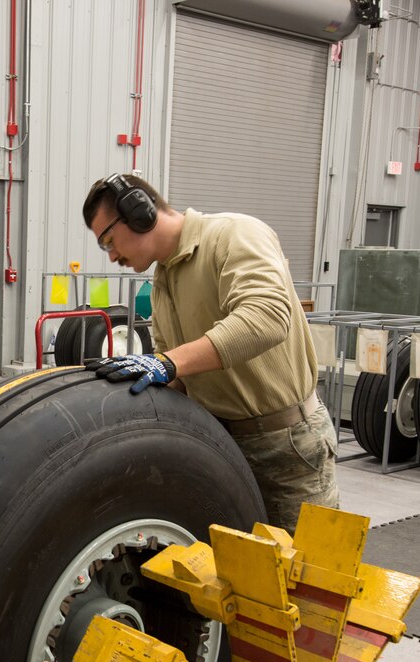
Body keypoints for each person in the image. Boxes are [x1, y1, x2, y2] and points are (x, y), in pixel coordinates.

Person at [81, 173, 338, 532]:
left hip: (288, 446)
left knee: (309, 575)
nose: (111, 257)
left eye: (109, 241)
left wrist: (168, 363)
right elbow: (180, 377)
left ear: (138, 212)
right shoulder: (163, 282)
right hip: (221, 444)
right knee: (235, 575)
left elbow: (267, 317)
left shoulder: (235, 235)